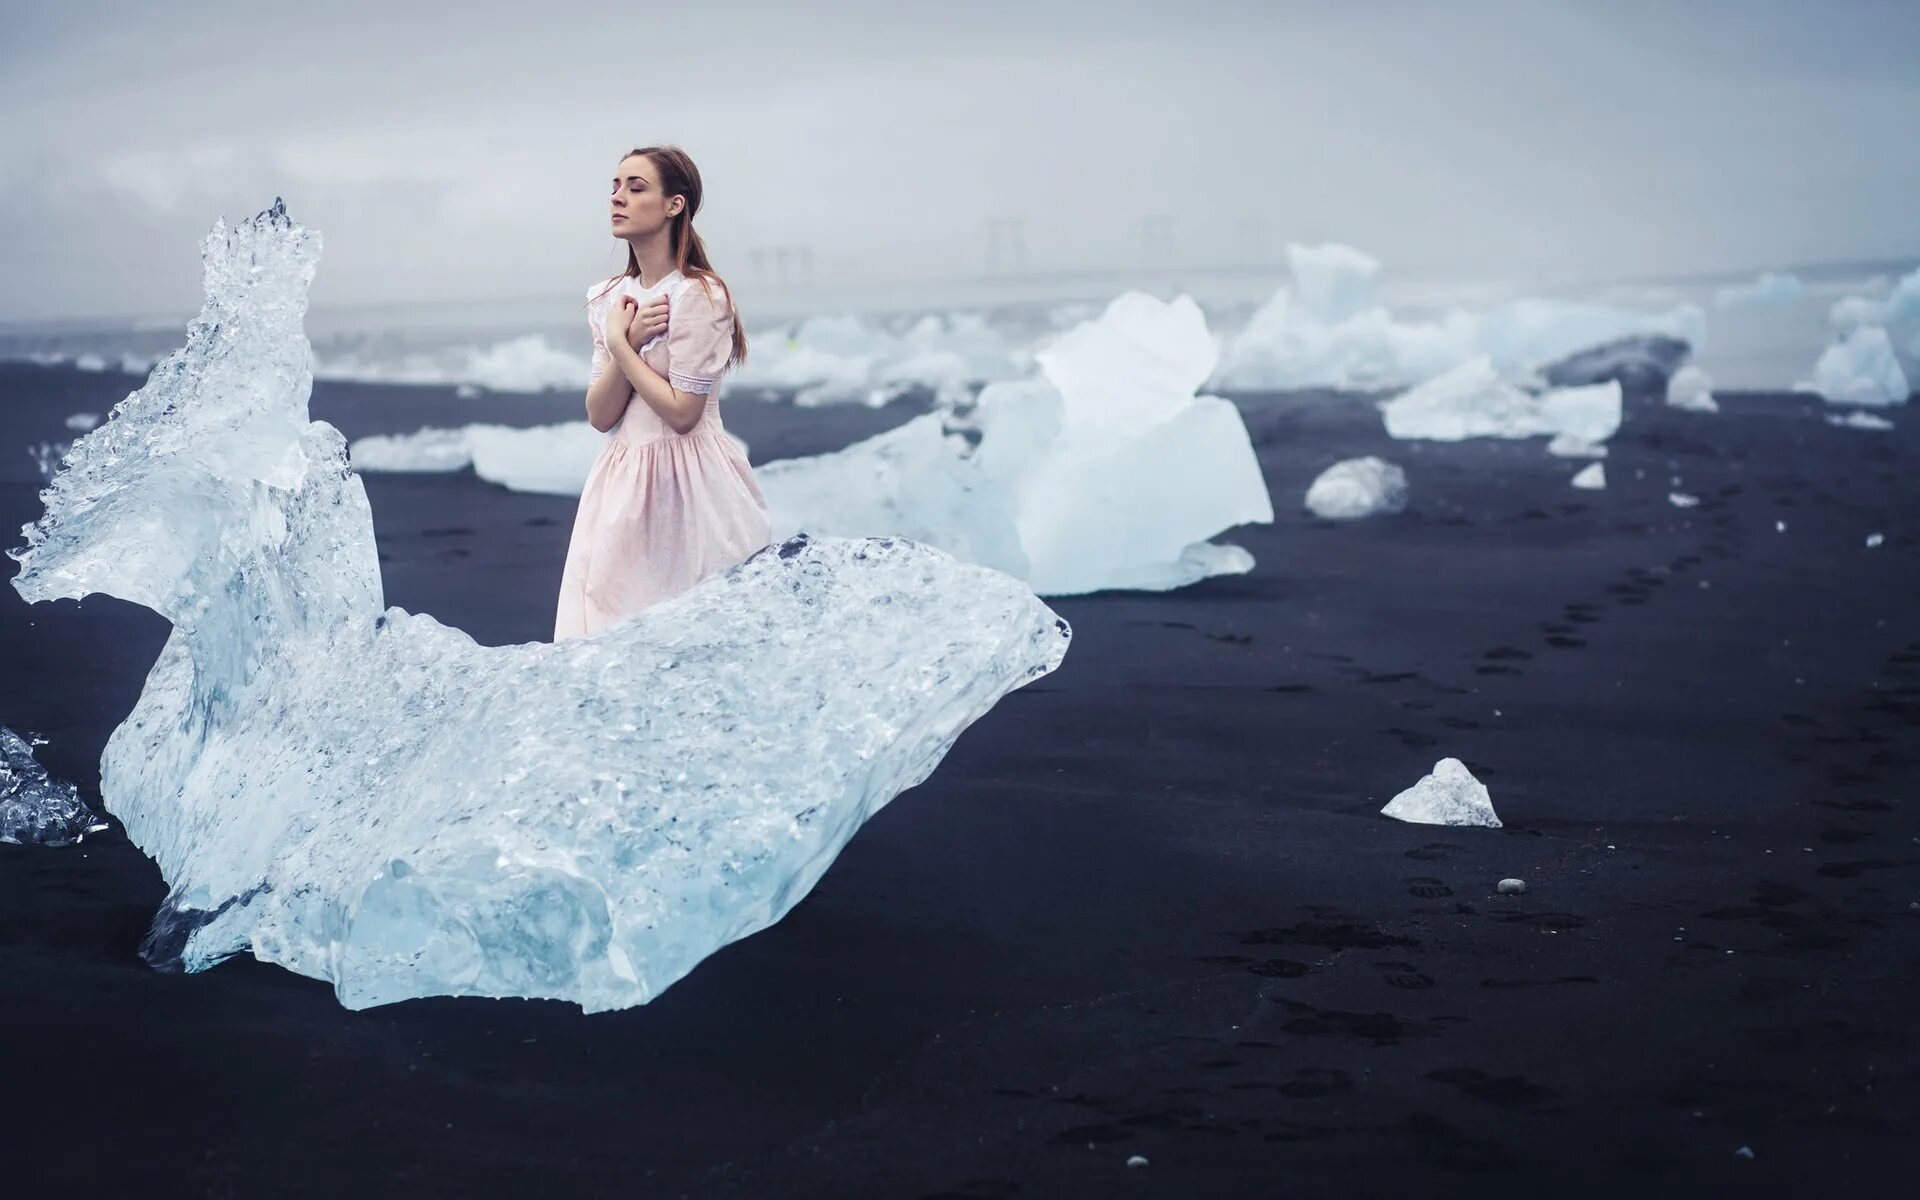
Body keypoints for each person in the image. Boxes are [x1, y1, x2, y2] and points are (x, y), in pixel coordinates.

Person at [553, 145, 773, 640]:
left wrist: (621, 347)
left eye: (635, 187)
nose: (618, 198)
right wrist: (622, 340)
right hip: (621, 484)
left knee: (686, 634)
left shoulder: (699, 293)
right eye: (614, 187)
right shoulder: (607, 296)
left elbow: (682, 413)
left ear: (674, 205)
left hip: (689, 482)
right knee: (609, 628)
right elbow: (600, 414)